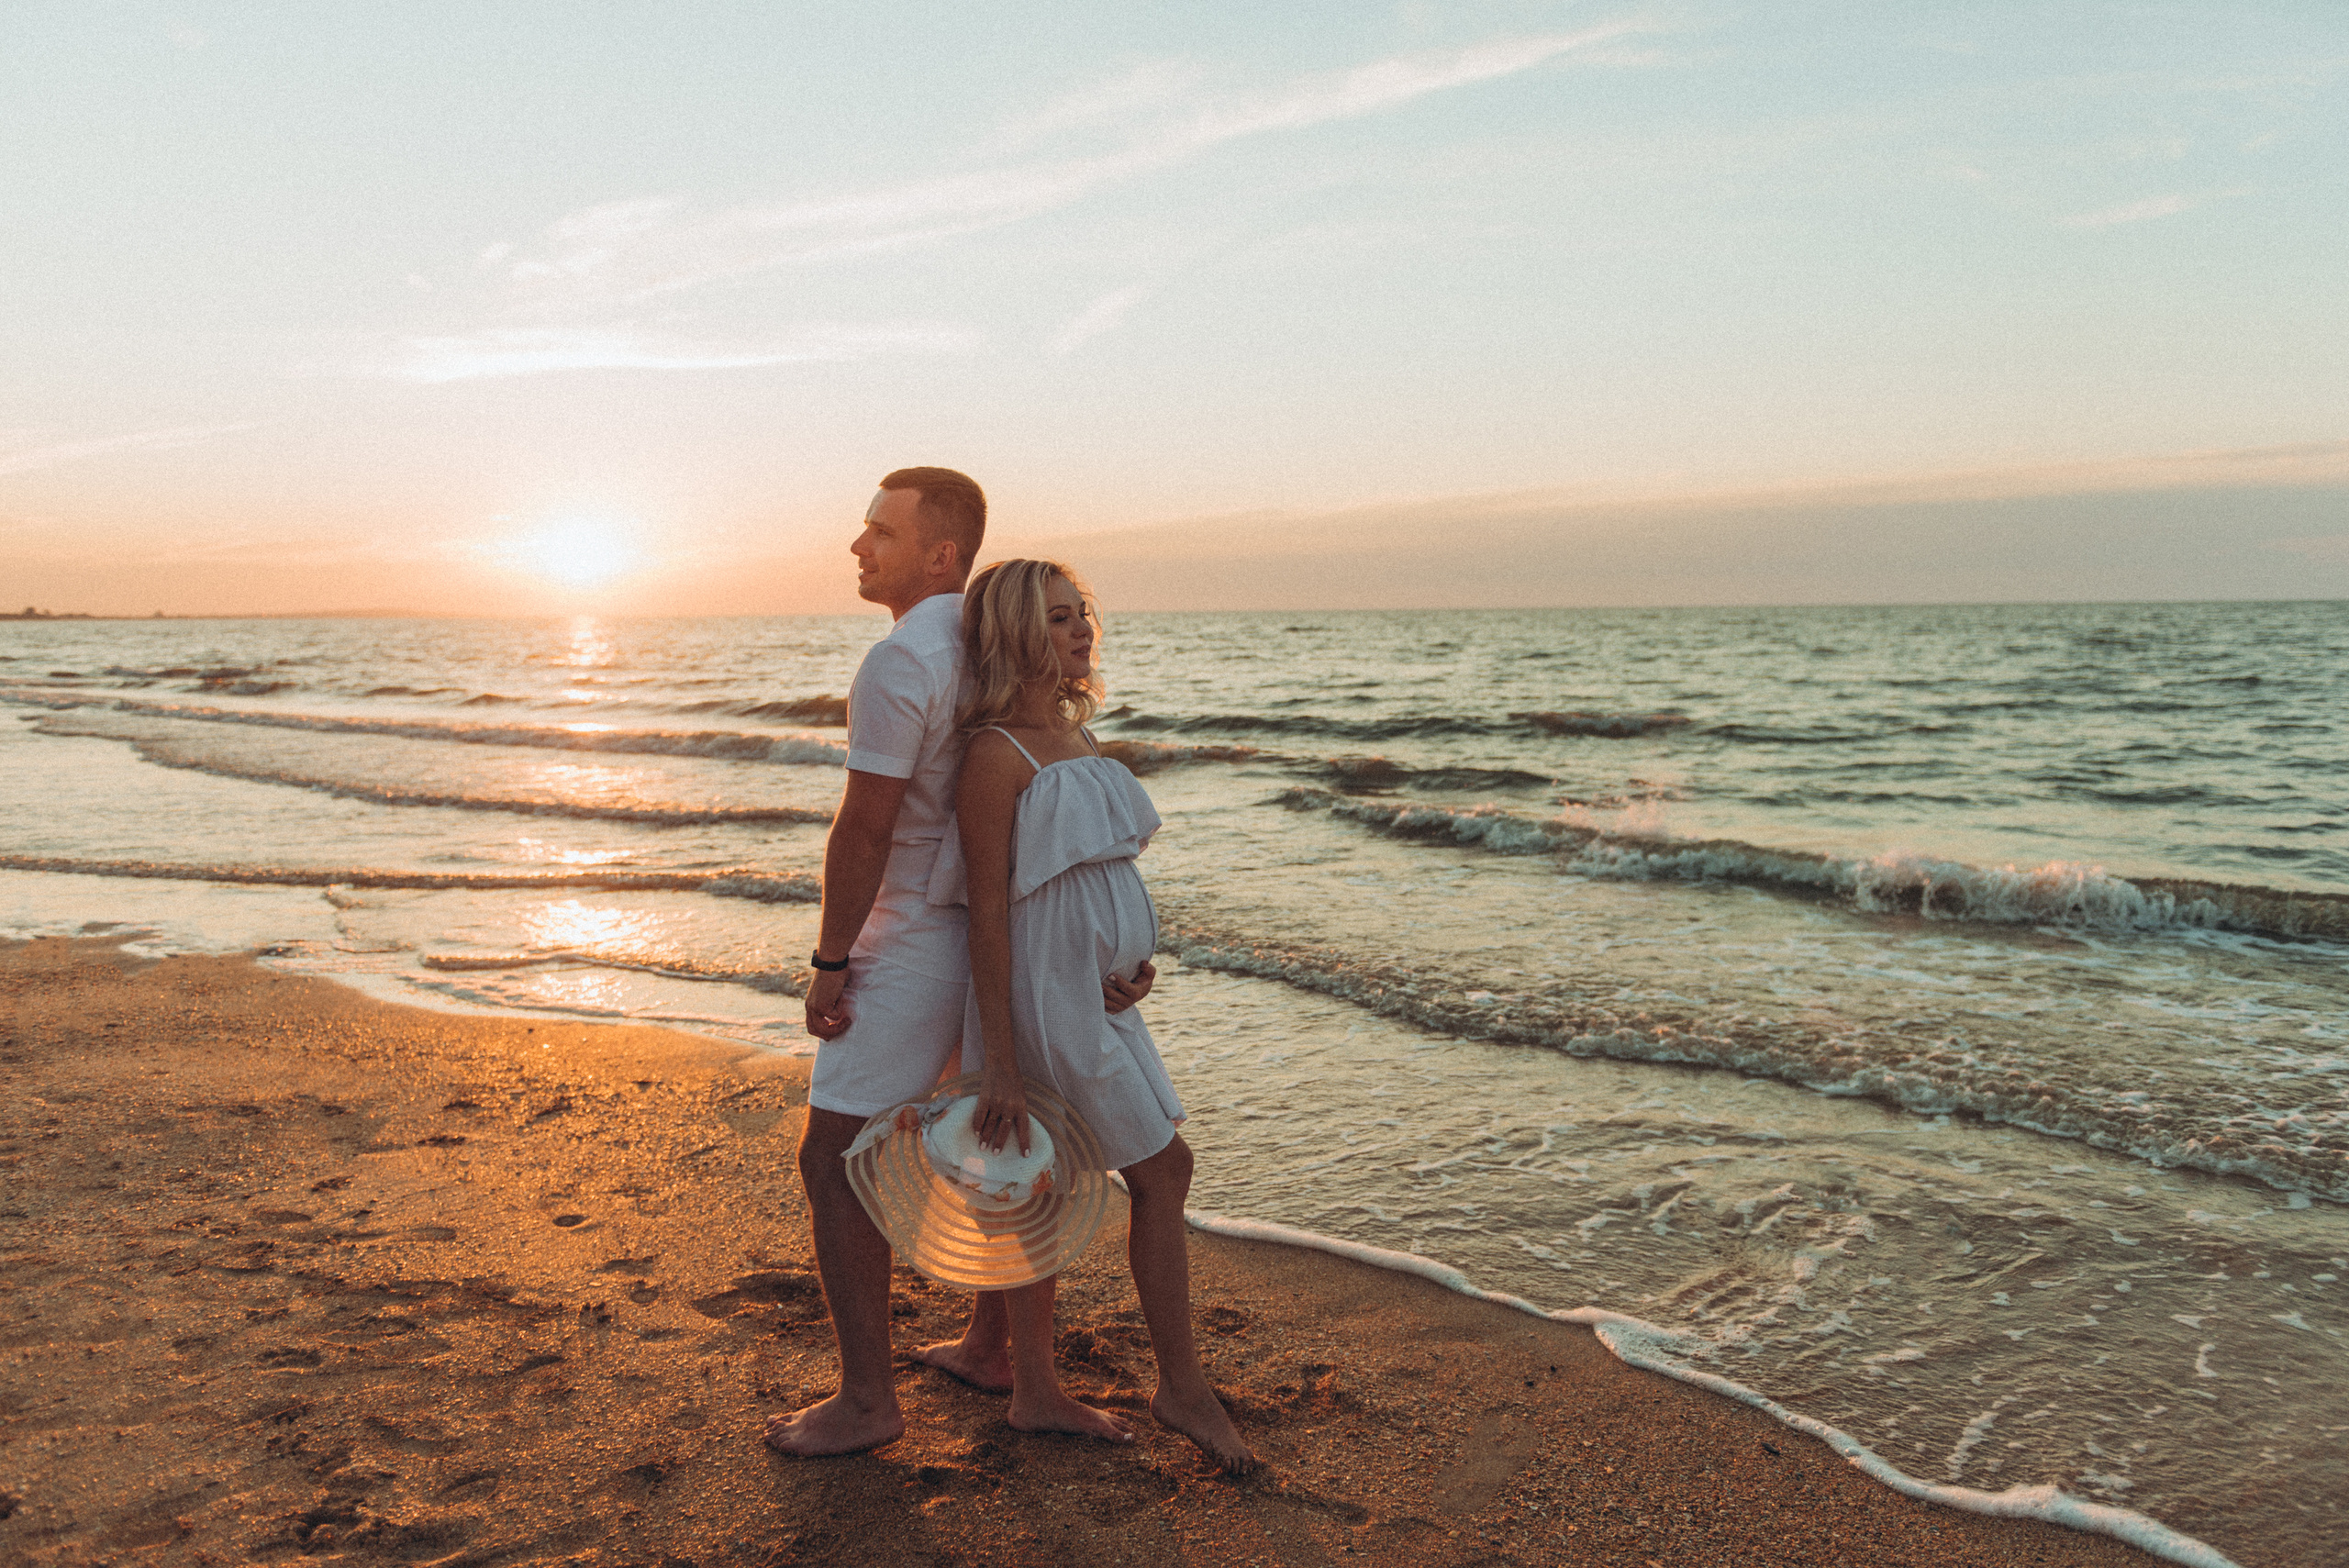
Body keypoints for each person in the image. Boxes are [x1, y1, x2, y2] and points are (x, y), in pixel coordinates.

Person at [923, 558, 1258, 1473]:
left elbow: (1096, 875)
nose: (1082, 633)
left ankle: (1016, 1372)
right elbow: (989, 911)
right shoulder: (997, 753)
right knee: (1155, 1167)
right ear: (1018, 636)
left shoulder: (1074, 736)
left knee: (1045, 1178)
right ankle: (1179, 1388)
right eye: (1061, 619)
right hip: (1039, 1000)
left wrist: (1130, 961)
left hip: (1096, 995)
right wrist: (994, 1061)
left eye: (1083, 617)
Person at [763, 466, 986, 1458]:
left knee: (835, 1157)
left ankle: (867, 1398)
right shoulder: (1001, 645)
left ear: (940, 554)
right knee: (987, 1126)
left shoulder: (902, 660)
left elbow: (865, 827)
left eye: (879, 531)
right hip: (989, 929)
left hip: (914, 935)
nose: (858, 546)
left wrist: (830, 957)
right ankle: (990, 1344)